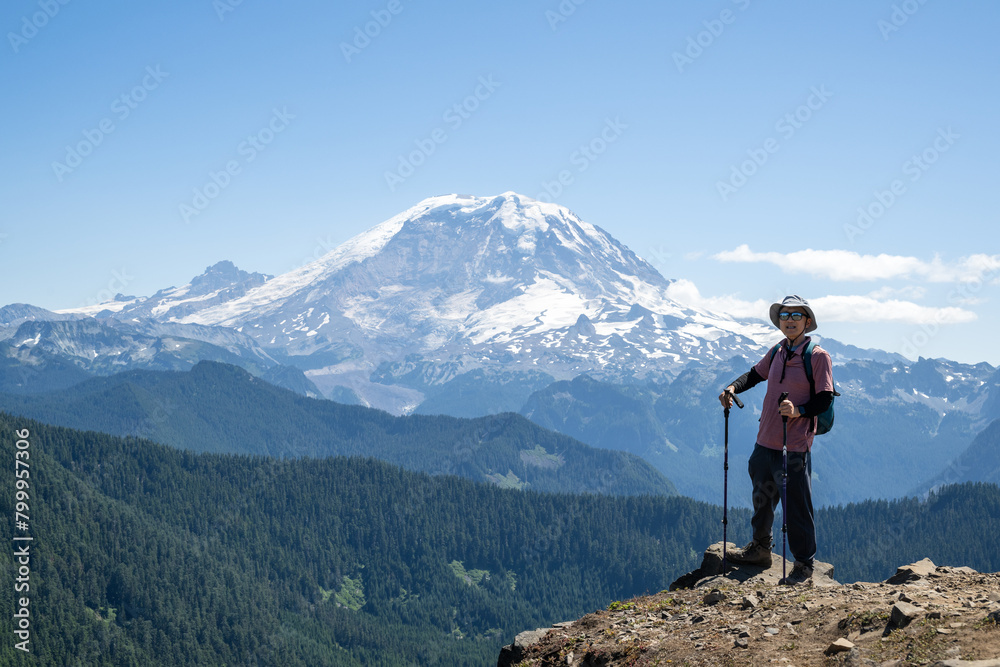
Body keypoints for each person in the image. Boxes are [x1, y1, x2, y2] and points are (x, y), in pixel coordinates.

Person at [718, 295, 834, 585]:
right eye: (785, 315)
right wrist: (732, 388)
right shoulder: (778, 351)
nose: (790, 320)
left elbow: (825, 398)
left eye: (797, 315)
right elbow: (754, 375)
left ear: (807, 322)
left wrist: (799, 411)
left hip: (794, 447)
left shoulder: (817, 356)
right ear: (779, 321)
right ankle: (760, 549)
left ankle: (804, 565)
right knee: (762, 500)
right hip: (765, 441)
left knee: (796, 507)